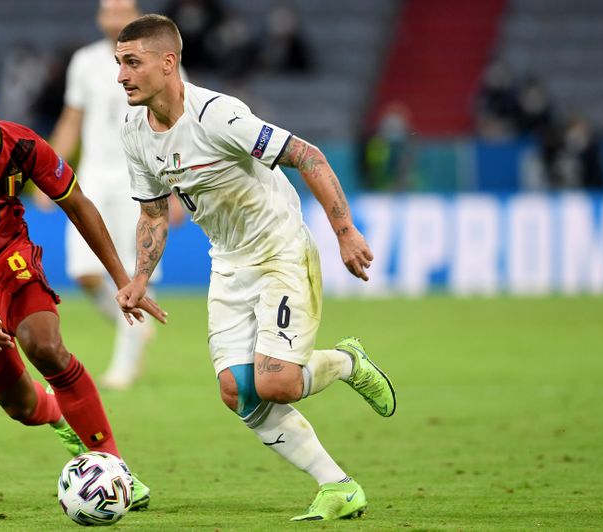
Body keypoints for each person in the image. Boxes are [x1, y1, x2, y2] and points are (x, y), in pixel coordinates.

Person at [113, 15, 396, 521]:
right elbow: (153, 214)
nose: (122, 76)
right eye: (119, 64)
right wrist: (140, 278)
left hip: (280, 252)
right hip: (228, 263)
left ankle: (347, 362)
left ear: (168, 62)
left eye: (132, 63)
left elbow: (307, 156)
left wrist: (345, 231)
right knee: (237, 391)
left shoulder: (218, 116)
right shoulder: (135, 131)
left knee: (277, 383)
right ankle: (338, 485)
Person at [0, 66, 166, 509]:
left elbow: (77, 204)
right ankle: (62, 416)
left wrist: (122, 278)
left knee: (46, 346)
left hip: (9, 259)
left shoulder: (21, 143)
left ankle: (115, 469)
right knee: (21, 406)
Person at [42, 0, 181, 390]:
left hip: (141, 181)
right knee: (84, 273)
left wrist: (175, 188)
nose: (115, 18)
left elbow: (177, 121)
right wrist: (47, 174)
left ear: (135, 16)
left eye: (122, 11)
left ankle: (124, 367)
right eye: (109, 11)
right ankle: (136, 327)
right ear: (100, 17)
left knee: (136, 275)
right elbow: (72, 120)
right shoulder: (84, 62)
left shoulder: (160, 59)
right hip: (93, 182)